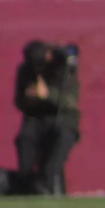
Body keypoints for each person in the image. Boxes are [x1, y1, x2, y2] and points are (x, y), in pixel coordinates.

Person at [14, 40, 81, 195]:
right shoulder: (25, 71)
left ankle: (45, 182)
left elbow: (70, 102)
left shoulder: (64, 69)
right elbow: (19, 102)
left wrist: (47, 95)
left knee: (61, 140)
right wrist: (29, 98)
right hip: (36, 119)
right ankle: (27, 183)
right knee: (25, 138)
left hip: (64, 119)